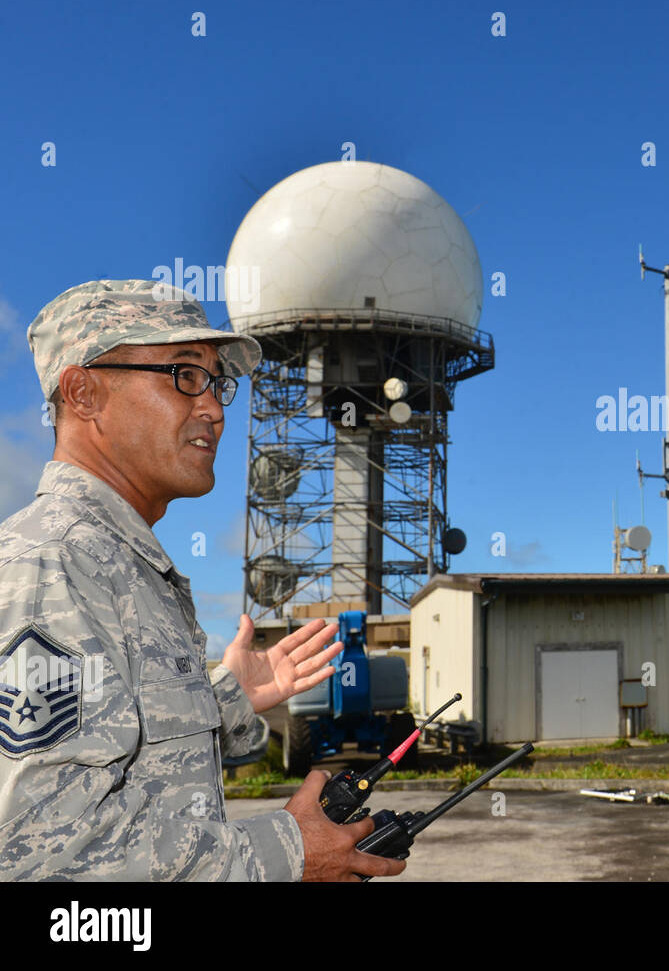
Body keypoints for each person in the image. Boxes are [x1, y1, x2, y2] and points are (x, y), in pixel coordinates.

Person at [0, 279, 406, 882]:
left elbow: (137, 763)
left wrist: (230, 696)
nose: (213, 408)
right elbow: (44, 853)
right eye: (184, 376)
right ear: (83, 392)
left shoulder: (127, 564)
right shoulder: (54, 561)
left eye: (218, 383)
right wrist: (288, 851)